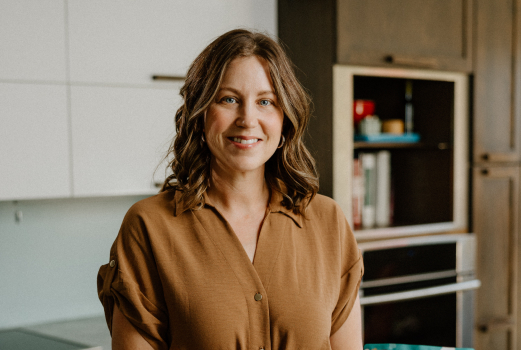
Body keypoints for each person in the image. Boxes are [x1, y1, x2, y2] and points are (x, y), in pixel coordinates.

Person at [97, 29, 364, 350]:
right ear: (201, 116)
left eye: (266, 101)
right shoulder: (148, 226)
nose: (248, 118)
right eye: (229, 99)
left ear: (284, 121)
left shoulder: (328, 221)